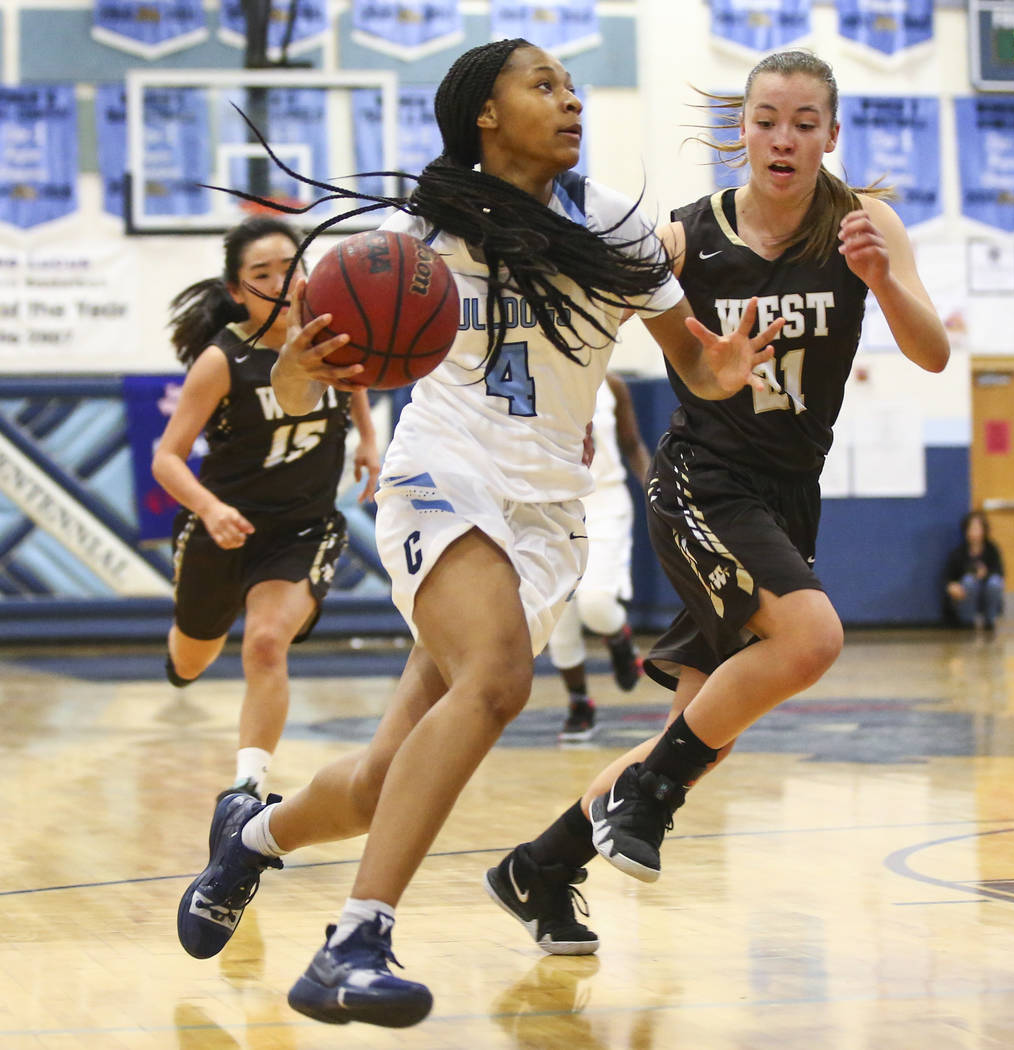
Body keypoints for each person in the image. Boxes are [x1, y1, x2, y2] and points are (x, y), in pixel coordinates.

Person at [173, 38, 783, 1028]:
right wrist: (297, 374)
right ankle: (355, 938)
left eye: (572, 84)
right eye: (543, 83)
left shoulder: (616, 228)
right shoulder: (420, 232)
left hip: (550, 509)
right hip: (443, 476)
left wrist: (731, 365)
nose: (570, 98)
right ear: (484, 114)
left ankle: (251, 840)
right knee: (496, 680)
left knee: (381, 784)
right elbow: (295, 375)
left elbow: (697, 366)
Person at [484, 47, 950, 955]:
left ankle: (540, 866)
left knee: (701, 733)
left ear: (831, 134)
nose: (783, 138)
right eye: (766, 119)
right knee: (812, 638)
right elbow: (584, 331)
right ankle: (647, 807)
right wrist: (555, 420)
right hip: (702, 477)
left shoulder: (867, 226)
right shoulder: (684, 237)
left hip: (786, 495)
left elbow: (931, 354)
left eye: (804, 122)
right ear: (742, 129)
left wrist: (884, 281)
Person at [153, 215, 379, 803]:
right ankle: (184, 646)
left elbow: (351, 386)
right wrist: (208, 509)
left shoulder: (334, 334)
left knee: (264, 643)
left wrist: (369, 444)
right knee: (189, 663)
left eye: (290, 267)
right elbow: (167, 460)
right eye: (262, 274)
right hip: (225, 528)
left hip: (301, 528)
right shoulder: (221, 361)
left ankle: (247, 788)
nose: (282, 283)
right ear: (236, 291)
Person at [548, 370, 650, 742]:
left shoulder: (614, 384)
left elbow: (632, 444)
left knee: (595, 604)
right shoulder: (537, 378)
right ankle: (580, 704)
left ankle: (618, 637)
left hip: (606, 501)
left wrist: (658, 489)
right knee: (558, 621)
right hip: (552, 506)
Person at [944, 510, 1004, 630]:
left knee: (995, 582)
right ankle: (967, 621)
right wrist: (952, 586)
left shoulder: (992, 550)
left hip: (987, 592)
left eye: (978, 528)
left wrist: (986, 574)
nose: (974, 532)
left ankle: (990, 620)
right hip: (967, 594)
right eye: (971, 528)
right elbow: (948, 577)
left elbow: (1000, 573)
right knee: (968, 581)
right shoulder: (959, 553)